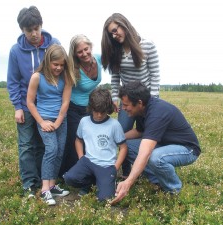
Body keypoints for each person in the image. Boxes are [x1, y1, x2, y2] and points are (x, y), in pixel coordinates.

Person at [111, 81, 201, 205]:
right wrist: (116, 139)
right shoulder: (141, 110)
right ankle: (157, 180)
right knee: (126, 146)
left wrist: (128, 182)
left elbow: (145, 153)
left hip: (187, 149)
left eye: (126, 105)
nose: (123, 108)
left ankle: (174, 190)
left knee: (155, 157)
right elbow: (140, 131)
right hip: (165, 145)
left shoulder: (157, 112)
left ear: (139, 103)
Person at [7, 6, 60, 198]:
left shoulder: (54, 44)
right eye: (29, 30)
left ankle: (43, 180)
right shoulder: (15, 51)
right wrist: (17, 107)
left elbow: (62, 72)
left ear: (41, 25)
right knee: (26, 144)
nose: (34, 34)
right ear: (22, 30)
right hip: (25, 104)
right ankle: (29, 183)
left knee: (44, 144)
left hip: (48, 105)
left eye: (36, 28)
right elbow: (13, 81)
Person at [101, 13, 161, 178]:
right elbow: (115, 78)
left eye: (115, 30)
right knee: (122, 136)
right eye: (111, 34)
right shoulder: (115, 51)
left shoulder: (147, 45)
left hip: (145, 101)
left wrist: (153, 100)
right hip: (126, 102)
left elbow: (155, 75)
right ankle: (126, 172)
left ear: (124, 24)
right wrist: (115, 97)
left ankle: (152, 173)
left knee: (148, 136)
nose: (114, 35)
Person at [27, 44, 76, 205]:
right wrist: (42, 122)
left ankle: (53, 184)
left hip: (60, 120)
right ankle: (45, 189)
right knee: (51, 149)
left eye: (62, 65)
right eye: (56, 64)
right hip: (44, 119)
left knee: (60, 151)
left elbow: (65, 102)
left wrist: (58, 122)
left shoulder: (66, 77)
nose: (59, 68)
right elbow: (30, 102)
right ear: (48, 62)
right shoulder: (37, 77)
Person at [63, 88, 127, 201]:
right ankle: (90, 183)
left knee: (105, 198)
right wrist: (81, 158)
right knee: (69, 178)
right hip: (88, 161)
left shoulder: (114, 125)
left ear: (108, 109)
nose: (98, 115)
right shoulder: (84, 121)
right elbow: (78, 140)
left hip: (107, 166)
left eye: (102, 111)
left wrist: (115, 167)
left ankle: (105, 182)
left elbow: (123, 148)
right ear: (91, 108)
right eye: (96, 111)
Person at [59, 34, 102, 179]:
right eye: (79, 52)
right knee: (74, 141)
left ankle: (89, 171)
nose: (84, 53)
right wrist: (62, 114)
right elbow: (66, 91)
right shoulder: (73, 68)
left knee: (90, 140)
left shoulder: (99, 59)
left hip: (90, 108)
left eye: (86, 49)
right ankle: (68, 174)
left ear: (90, 46)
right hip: (74, 108)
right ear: (75, 54)